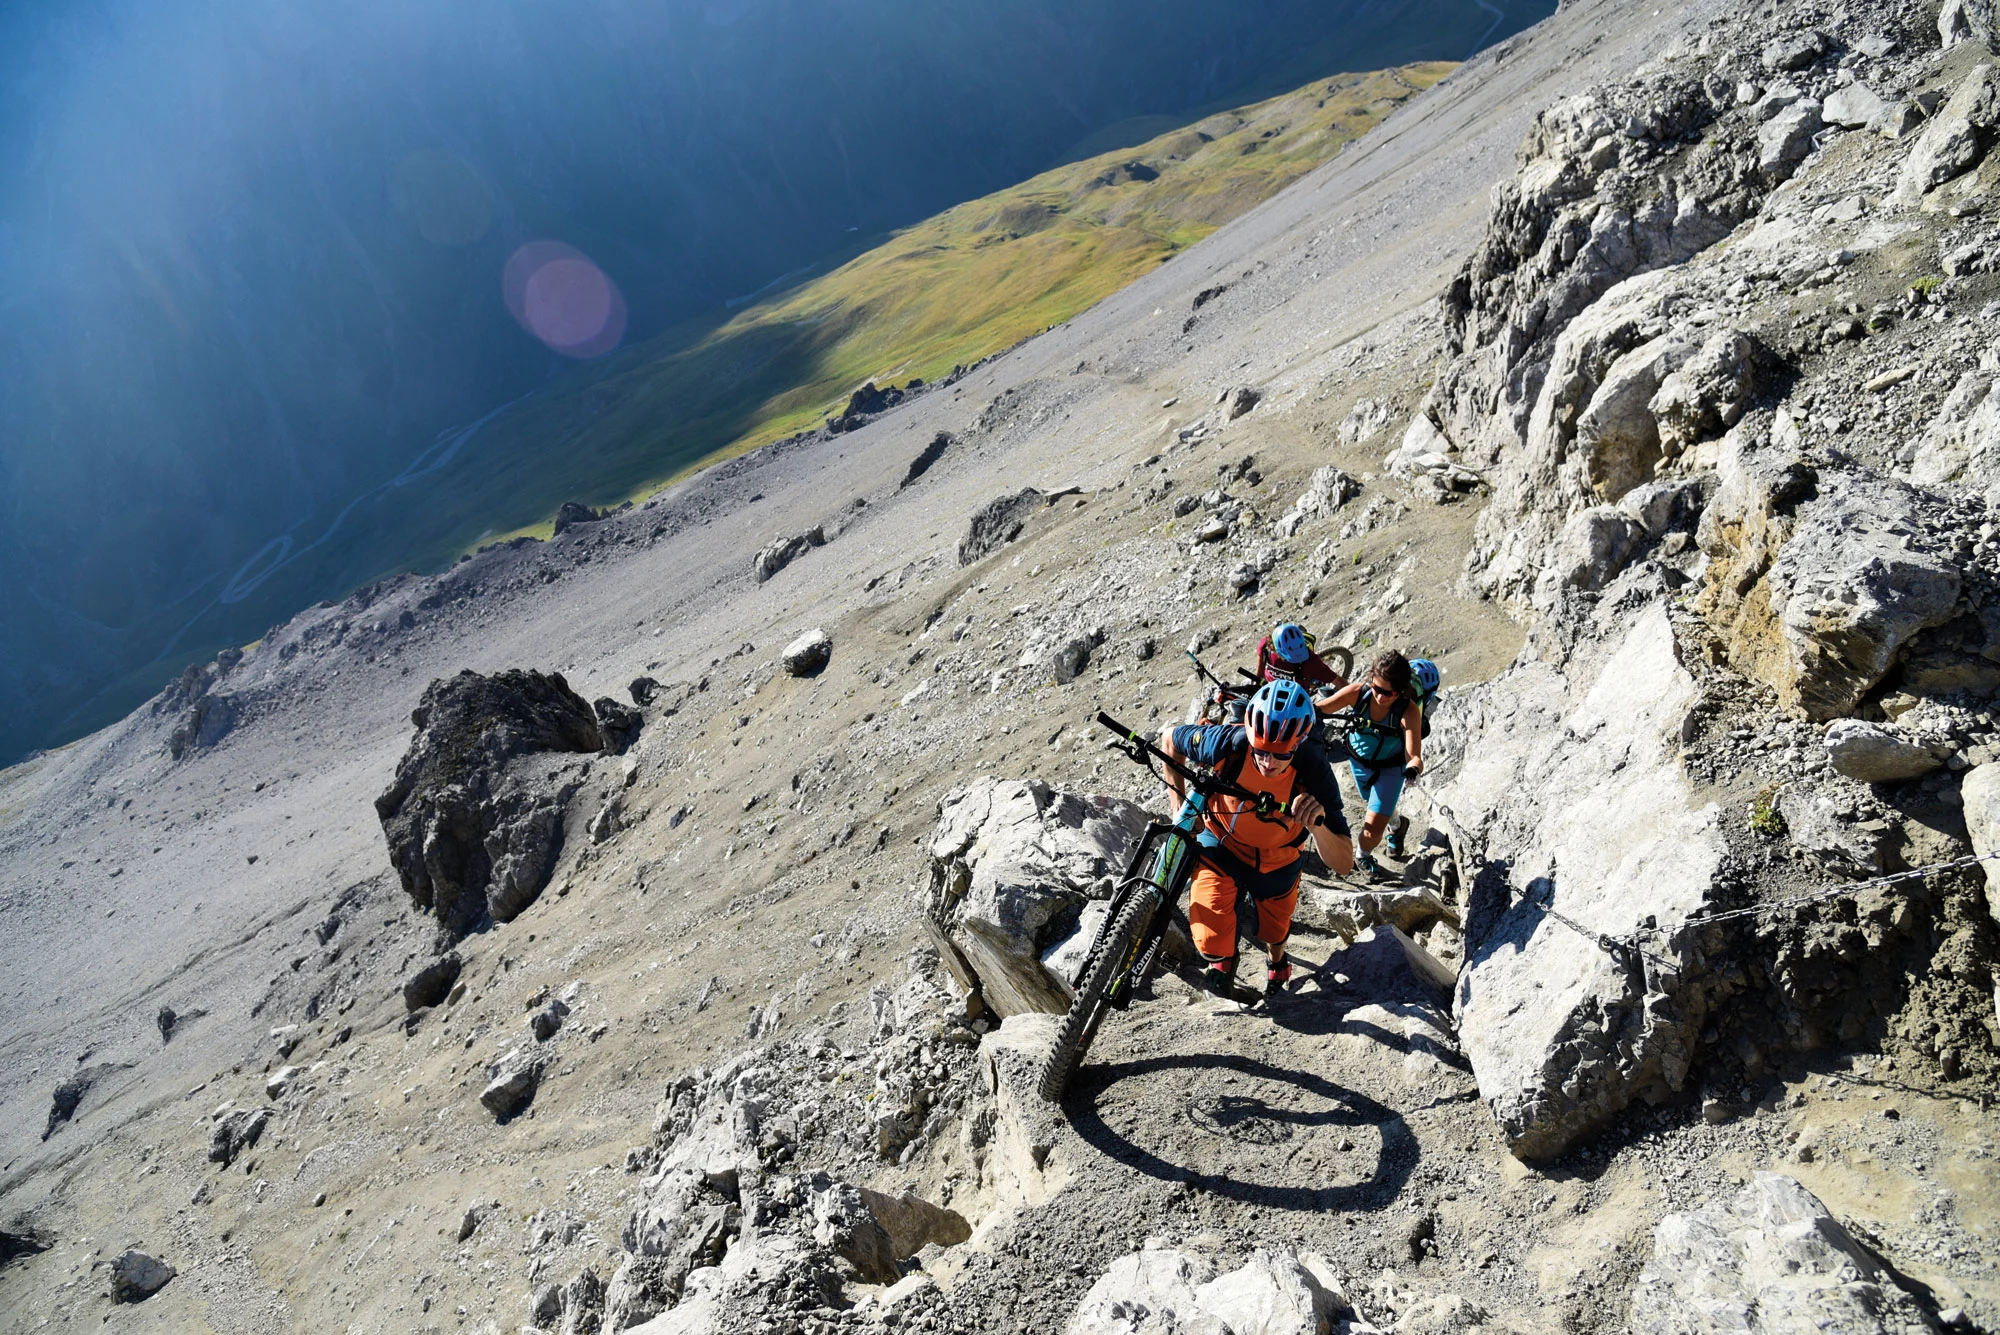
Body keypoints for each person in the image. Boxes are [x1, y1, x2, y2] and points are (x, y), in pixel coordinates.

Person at [1157, 680, 1355, 994]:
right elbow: (1170, 741)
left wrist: (1317, 826)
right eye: (1261, 750)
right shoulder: (1227, 742)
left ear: (1300, 742)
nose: (1268, 761)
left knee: (1275, 930)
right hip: (1222, 843)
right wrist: (1178, 806)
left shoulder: (1314, 771)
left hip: (1278, 858)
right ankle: (1225, 957)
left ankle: (1277, 961)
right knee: (1209, 940)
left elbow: (1344, 861)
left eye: (1280, 754)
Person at [1316, 651, 1425, 879]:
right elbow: (1319, 709)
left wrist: (1413, 768)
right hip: (1359, 762)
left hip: (1390, 771)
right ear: (1370, 680)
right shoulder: (1358, 693)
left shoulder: (1408, 710)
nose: (1381, 697)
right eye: (1377, 688)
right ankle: (1396, 825)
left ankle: (1362, 856)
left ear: (1401, 690)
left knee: (1371, 827)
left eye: (1389, 693)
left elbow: (1413, 754)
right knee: (1373, 804)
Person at [1254, 622, 1347, 693]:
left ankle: (1313, 683)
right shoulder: (1266, 647)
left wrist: (1358, 698)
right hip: (1271, 689)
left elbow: (1339, 682)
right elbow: (1260, 666)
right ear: (1275, 649)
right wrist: (1257, 685)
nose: (1298, 658)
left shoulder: (1310, 662)